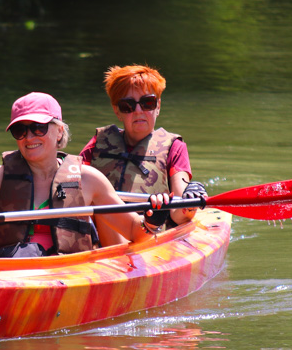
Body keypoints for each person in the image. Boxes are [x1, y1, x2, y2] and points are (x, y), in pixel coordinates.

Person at [0, 92, 170, 257]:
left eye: (38, 128)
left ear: (59, 130)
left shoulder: (88, 179)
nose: (29, 137)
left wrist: (151, 222)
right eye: (20, 130)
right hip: (6, 266)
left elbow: (133, 231)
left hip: (63, 271)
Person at [80, 64, 207, 241]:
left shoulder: (174, 147)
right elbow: (71, 185)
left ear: (158, 106)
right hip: (103, 236)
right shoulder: (98, 143)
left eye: (147, 103)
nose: (138, 111)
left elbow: (179, 214)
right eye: (128, 105)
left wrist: (190, 201)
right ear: (117, 111)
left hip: (150, 236)